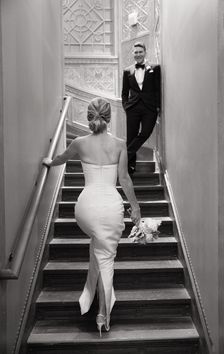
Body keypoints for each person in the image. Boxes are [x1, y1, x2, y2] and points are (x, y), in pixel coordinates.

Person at [43, 97, 141, 337]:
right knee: (106, 258)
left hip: (85, 208)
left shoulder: (78, 142)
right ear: (109, 118)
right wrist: (136, 208)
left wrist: (48, 161)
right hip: (110, 206)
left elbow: (60, 159)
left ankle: (94, 303)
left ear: (89, 118)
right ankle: (102, 315)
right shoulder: (119, 144)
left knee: (98, 250)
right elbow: (125, 180)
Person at [121, 42, 161, 175]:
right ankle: (129, 167)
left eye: (140, 52)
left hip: (150, 108)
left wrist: (158, 107)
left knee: (146, 132)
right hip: (133, 108)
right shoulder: (127, 71)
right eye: (136, 52)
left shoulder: (155, 68)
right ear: (133, 54)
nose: (138, 54)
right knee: (131, 136)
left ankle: (125, 154)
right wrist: (126, 106)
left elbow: (157, 89)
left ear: (145, 52)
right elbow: (124, 92)